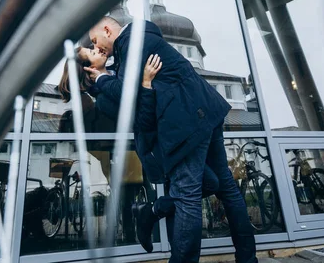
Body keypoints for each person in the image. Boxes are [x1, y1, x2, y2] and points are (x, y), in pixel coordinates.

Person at [86, 17, 257, 263]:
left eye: (95, 40)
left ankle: (157, 218)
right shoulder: (135, 42)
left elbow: (127, 89)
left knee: (189, 195)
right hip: (204, 112)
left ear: (106, 29)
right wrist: (102, 78)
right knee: (223, 186)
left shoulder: (134, 43)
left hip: (187, 122)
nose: (97, 46)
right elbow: (129, 90)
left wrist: (102, 77)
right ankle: (248, 259)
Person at [58, 47, 219, 253]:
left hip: (171, 143)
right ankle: (146, 223)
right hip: (158, 150)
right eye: (91, 51)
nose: (97, 48)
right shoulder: (103, 98)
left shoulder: (115, 73)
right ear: (88, 68)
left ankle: (151, 211)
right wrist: (146, 84)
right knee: (203, 186)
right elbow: (143, 121)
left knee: (207, 185)